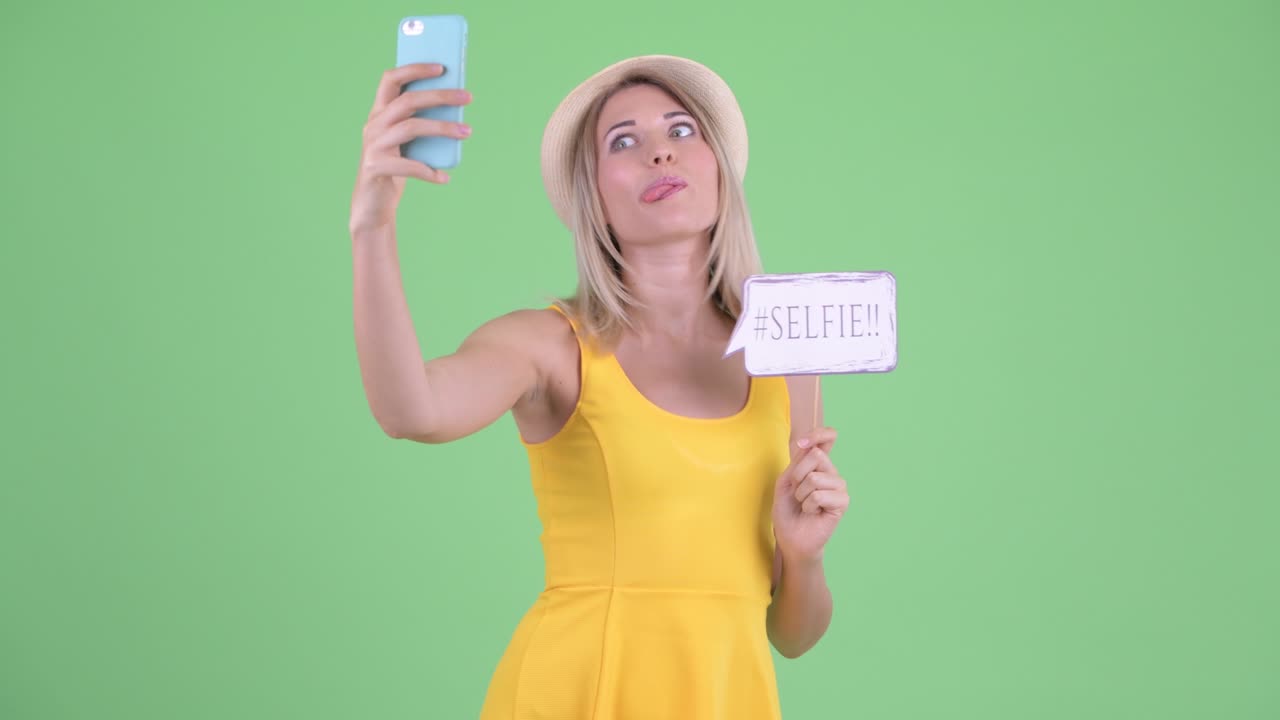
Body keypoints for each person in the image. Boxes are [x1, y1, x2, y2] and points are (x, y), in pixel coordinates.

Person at [350, 54, 851, 719]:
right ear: (594, 196)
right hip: (580, 689)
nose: (660, 155)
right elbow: (411, 410)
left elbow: (793, 636)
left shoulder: (789, 357)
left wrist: (803, 553)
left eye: (681, 131)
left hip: (728, 697)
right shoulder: (549, 345)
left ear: (720, 170)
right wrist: (372, 228)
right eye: (624, 141)